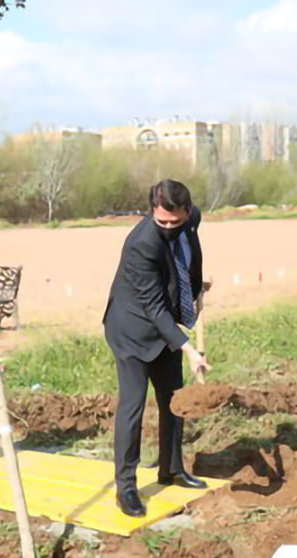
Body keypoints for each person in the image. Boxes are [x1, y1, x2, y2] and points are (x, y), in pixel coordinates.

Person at [103, 179, 210, 518]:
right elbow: (153, 307)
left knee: (173, 401)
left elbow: (186, 257)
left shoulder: (190, 220)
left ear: (186, 212)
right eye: (160, 221)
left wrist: (195, 289)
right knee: (133, 406)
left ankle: (172, 469)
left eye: (174, 222)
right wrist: (188, 348)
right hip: (132, 329)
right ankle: (127, 487)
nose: (166, 228)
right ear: (152, 213)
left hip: (164, 325)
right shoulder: (142, 244)